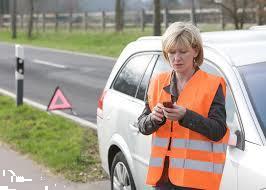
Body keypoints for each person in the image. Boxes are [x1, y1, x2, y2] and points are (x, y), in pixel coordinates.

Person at [137, 22, 230, 190]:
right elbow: (142, 125)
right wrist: (153, 118)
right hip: (162, 180)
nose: (176, 58)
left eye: (183, 52)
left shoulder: (213, 84)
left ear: (195, 51)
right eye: (171, 52)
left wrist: (185, 116)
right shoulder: (158, 81)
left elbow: (218, 131)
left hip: (196, 183)